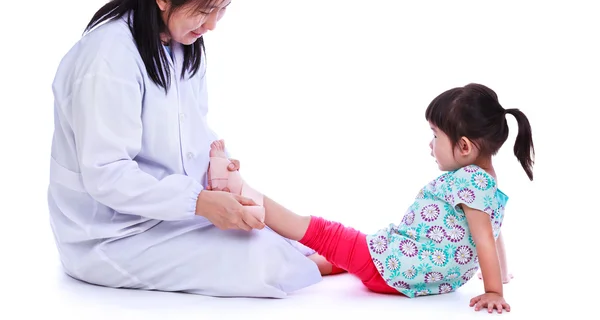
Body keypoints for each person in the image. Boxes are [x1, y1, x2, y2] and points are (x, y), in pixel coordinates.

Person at [47, 0, 335, 298]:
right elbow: (107, 174)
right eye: (204, 10)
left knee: (263, 232)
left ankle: (310, 255)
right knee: (261, 260)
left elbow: (190, 132)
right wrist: (197, 202)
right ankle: (318, 261)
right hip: (108, 236)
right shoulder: (108, 58)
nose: (213, 25)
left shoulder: (181, 46)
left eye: (222, 9)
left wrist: (217, 170)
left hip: (163, 215)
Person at [208, 83, 533, 313]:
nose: (430, 145)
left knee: (323, 232)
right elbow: (492, 230)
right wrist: (501, 272)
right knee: (340, 256)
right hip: (408, 273)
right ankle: (294, 262)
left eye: (436, 136)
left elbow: (485, 240)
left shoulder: (468, 181)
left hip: (395, 270)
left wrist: (493, 290)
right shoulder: (486, 183)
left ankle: (240, 189)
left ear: (464, 146)